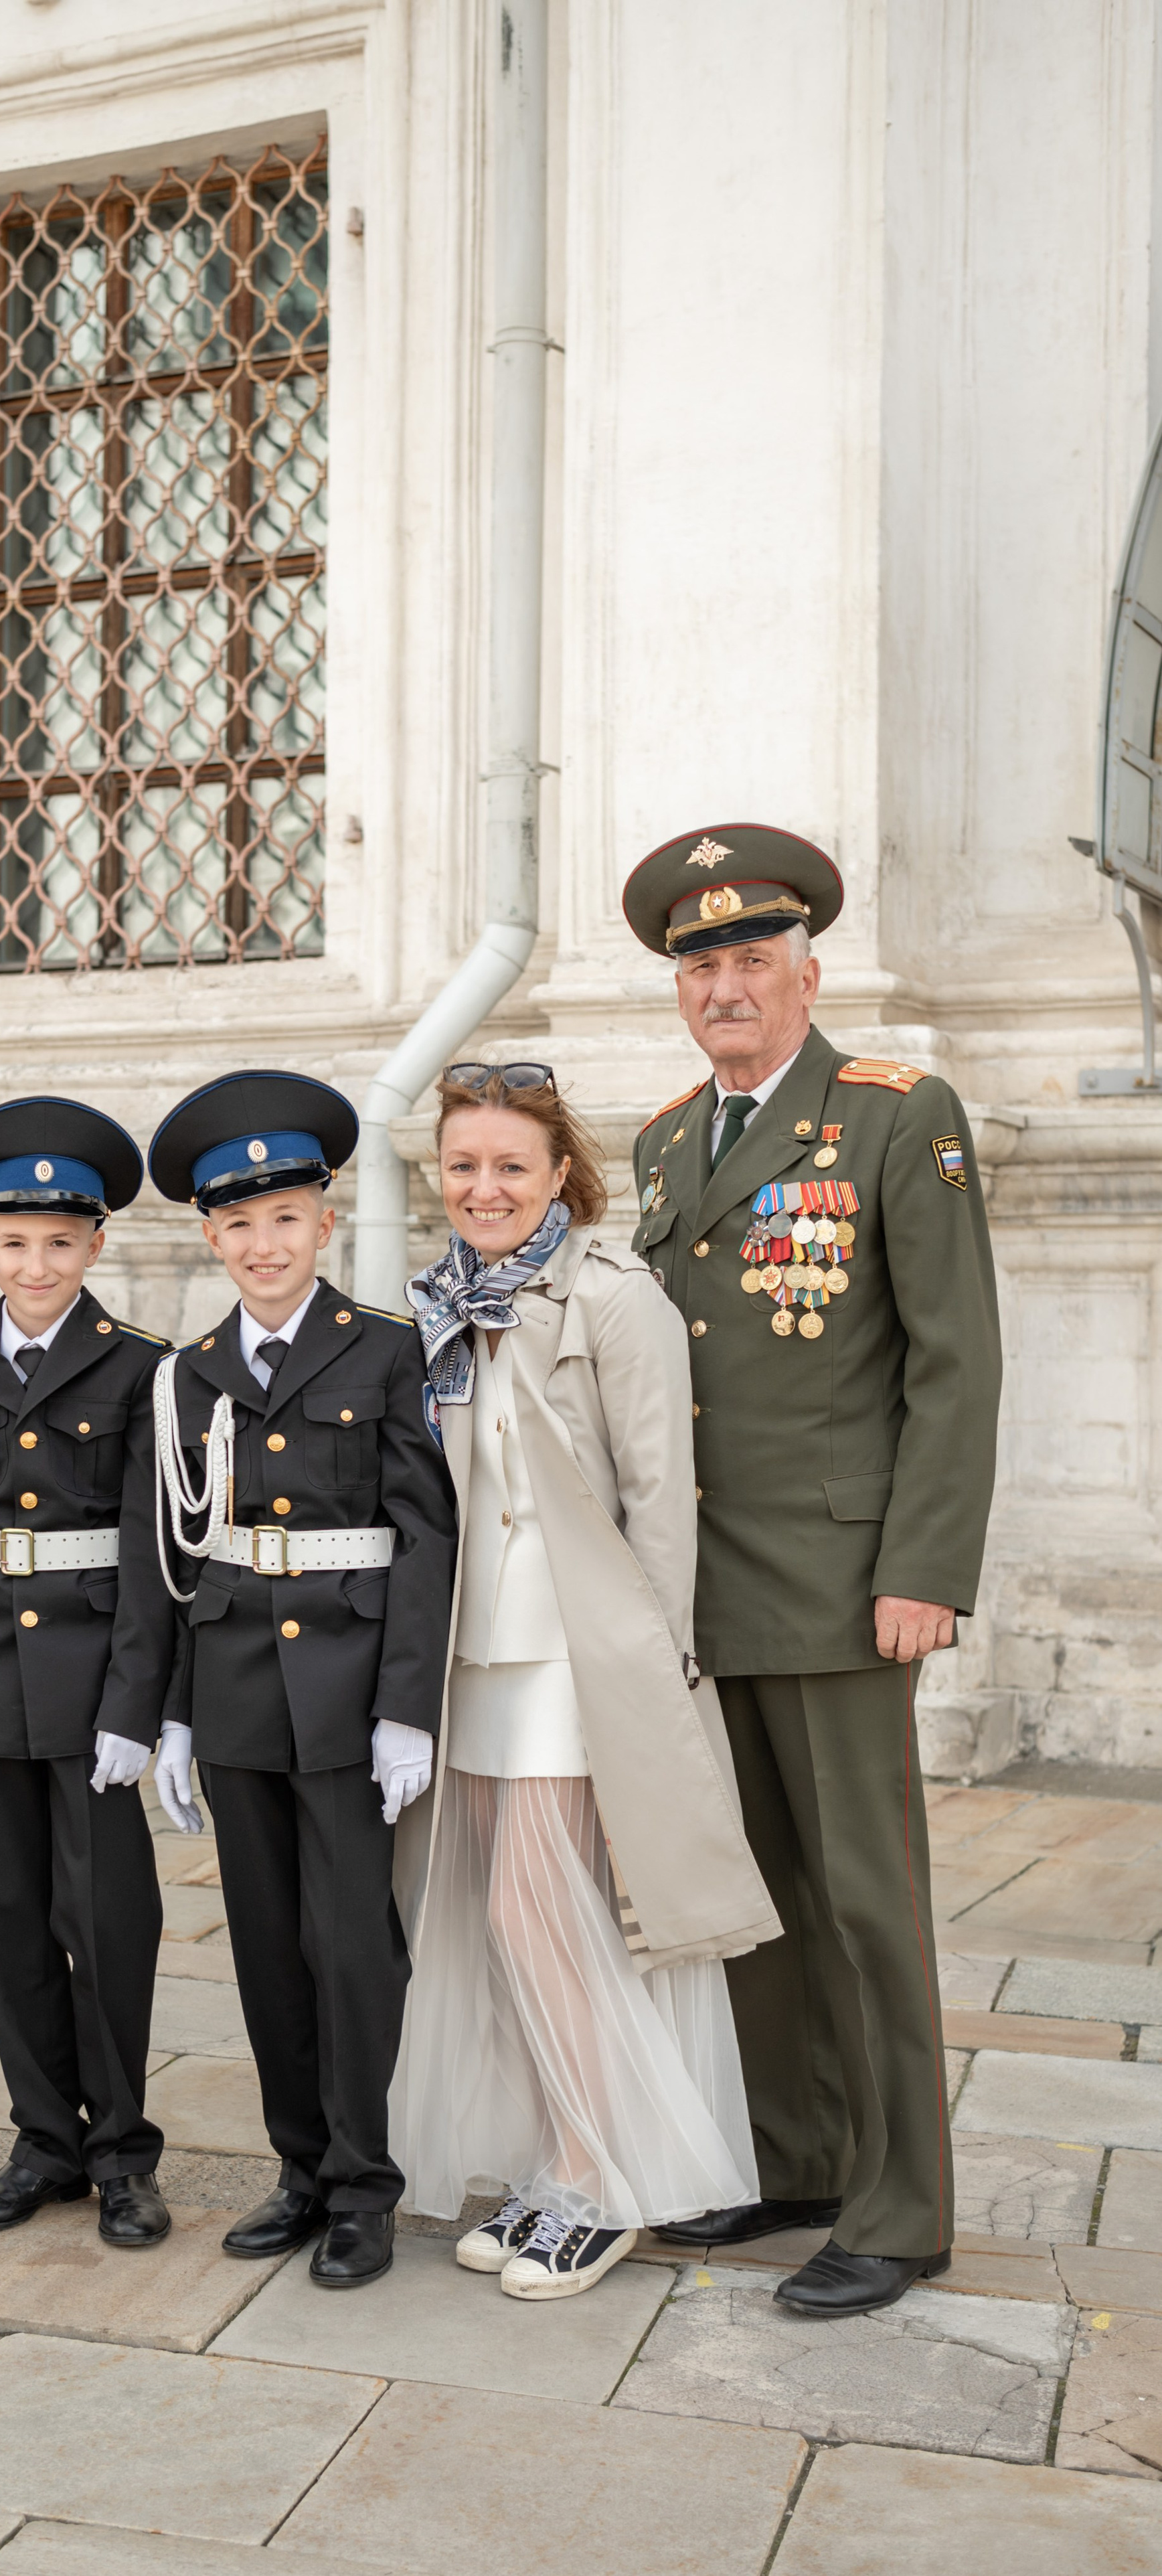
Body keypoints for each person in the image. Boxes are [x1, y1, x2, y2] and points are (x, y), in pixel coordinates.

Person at [623, 823, 1002, 2317]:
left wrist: (925, 1567)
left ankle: (899, 2209)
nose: (724, 985)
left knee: (861, 1898)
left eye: (749, 960)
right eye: (699, 965)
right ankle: (792, 2157)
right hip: (704, 1590)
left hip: (848, 1588)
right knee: (751, 1897)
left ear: (805, 971)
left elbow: (952, 1364)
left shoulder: (896, 1116)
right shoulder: (662, 1143)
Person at [388, 1064, 779, 2300]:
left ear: (561, 1173)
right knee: (495, 1925)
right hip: (478, 1655)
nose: (485, 1188)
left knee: (535, 1909)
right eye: (464, 1166)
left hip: (579, 1656)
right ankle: (557, 2161)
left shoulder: (617, 1298)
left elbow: (664, 1501)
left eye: (511, 1165)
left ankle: (604, 2184)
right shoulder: (438, 1304)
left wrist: (653, 1679)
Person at [145, 1071, 459, 2287]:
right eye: (238, 1224)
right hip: (232, 1691)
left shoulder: (384, 1354)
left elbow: (426, 1536)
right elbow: (177, 1554)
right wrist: (173, 1713)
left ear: (325, 1223)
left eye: (285, 1218)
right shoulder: (188, 1373)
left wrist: (404, 1708)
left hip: (345, 1694)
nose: (263, 1245)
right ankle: (298, 2168)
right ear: (211, 1236)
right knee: (268, 1944)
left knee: (351, 1943)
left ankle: (365, 2186)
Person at [0, 1097, 177, 2247]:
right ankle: (43, 2142)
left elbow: (158, 1555)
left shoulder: (140, 1369)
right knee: (7, 1916)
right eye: (14, 1243)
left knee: (105, 1920)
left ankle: (122, 2151)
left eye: (62, 1242)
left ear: (97, 1245)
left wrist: (136, 1710)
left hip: (89, 1684)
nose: (37, 1264)